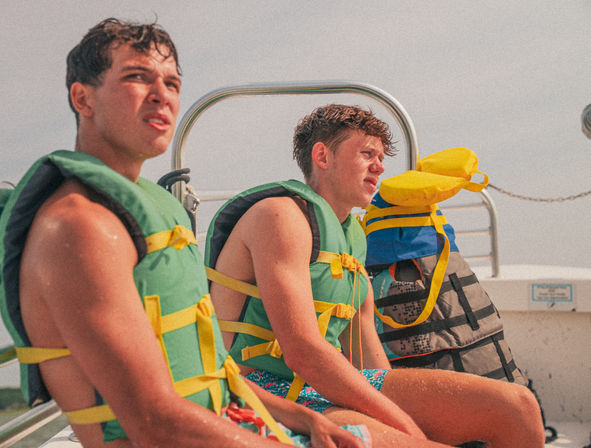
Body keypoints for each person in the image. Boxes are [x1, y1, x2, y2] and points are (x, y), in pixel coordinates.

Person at [0, 19, 371, 448]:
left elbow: (211, 371)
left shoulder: (149, 211)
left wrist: (304, 419)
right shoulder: (81, 227)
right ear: (83, 99)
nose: (162, 95)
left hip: (233, 419)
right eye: (137, 77)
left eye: (172, 83)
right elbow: (153, 422)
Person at [205, 104, 546, 448]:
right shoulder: (280, 216)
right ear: (322, 156)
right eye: (367, 153)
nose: (379, 166)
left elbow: (371, 364)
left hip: (315, 387)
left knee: (517, 406)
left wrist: (398, 410)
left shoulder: (351, 238)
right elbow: (303, 352)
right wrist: (405, 425)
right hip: (260, 391)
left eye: (381, 157)